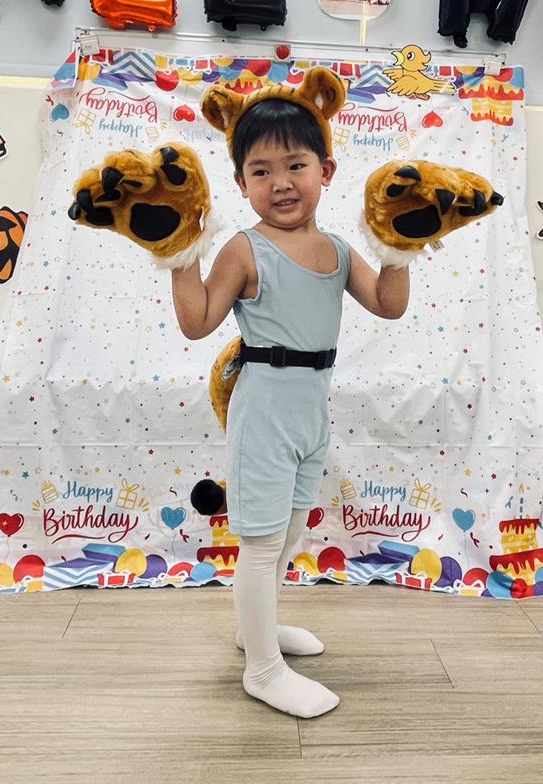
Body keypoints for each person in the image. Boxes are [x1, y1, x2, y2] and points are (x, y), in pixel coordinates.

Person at [170, 82, 410, 718]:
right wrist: (180, 251)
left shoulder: (337, 250)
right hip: (265, 412)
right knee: (260, 542)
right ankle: (262, 669)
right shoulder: (244, 249)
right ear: (240, 182)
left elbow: (388, 305)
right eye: (261, 171)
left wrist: (399, 245)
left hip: (311, 411)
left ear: (325, 171)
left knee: (291, 531)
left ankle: (258, 627)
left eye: (295, 165)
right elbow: (197, 322)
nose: (280, 183)